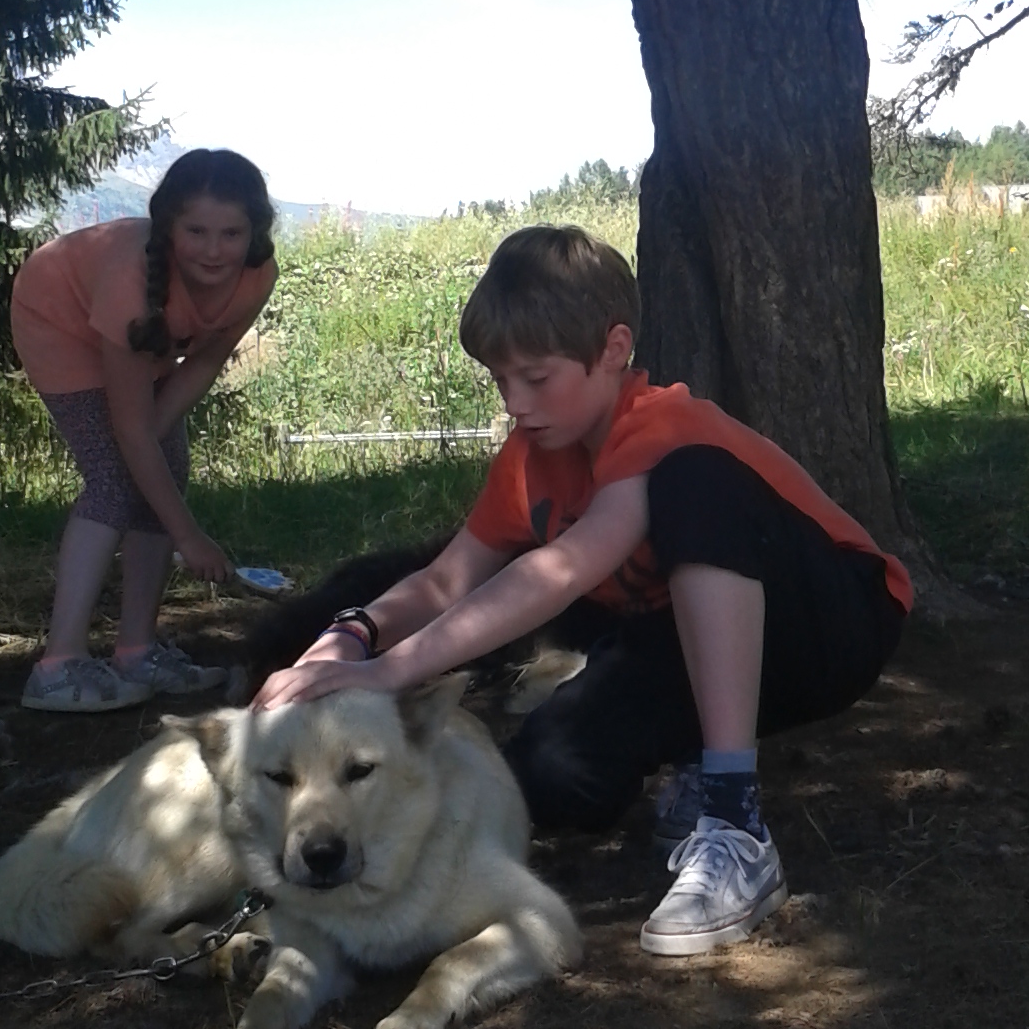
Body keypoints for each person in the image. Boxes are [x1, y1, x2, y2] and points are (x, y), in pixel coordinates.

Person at [253, 224, 913, 954]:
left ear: (613, 350)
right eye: (501, 381)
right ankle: (700, 757)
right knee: (551, 774)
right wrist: (349, 637)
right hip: (687, 645)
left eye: (536, 378)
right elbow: (448, 576)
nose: (514, 403)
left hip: (835, 617)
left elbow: (566, 566)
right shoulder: (533, 456)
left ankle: (735, 822)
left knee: (695, 478)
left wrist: (393, 670)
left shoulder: (660, 422)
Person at [10, 148, 278, 713]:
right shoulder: (132, 286)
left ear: (254, 232)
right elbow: (129, 435)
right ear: (168, 226)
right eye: (196, 231)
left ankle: (136, 650)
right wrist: (190, 538)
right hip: (59, 319)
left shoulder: (258, 275)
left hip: (134, 343)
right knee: (114, 479)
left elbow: (203, 363)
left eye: (231, 233)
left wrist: (152, 441)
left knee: (162, 469)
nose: (213, 249)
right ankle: (56, 667)